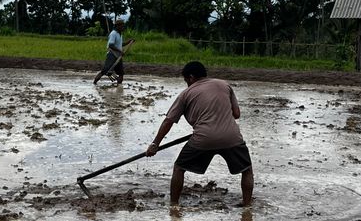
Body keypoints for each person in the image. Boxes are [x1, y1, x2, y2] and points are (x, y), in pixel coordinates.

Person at [146, 61, 254, 206]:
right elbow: (236, 114)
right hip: (231, 137)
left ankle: (173, 206)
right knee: (246, 170)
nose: (187, 85)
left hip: (203, 139)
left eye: (186, 81)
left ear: (191, 77)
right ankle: (247, 206)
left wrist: (155, 144)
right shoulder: (224, 85)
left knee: (179, 168)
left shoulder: (186, 94)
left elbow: (168, 121)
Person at [93, 19, 134, 85]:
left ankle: (119, 87)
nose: (123, 28)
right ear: (118, 26)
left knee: (121, 73)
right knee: (104, 71)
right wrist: (120, 51)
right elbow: (111, 45)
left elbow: (120, 44)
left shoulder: (120, 34)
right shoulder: (113, 34)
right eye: (122, 26)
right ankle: (94, 83)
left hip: (118, 56)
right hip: (112, 55)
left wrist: (129, 42)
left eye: (123, 26)